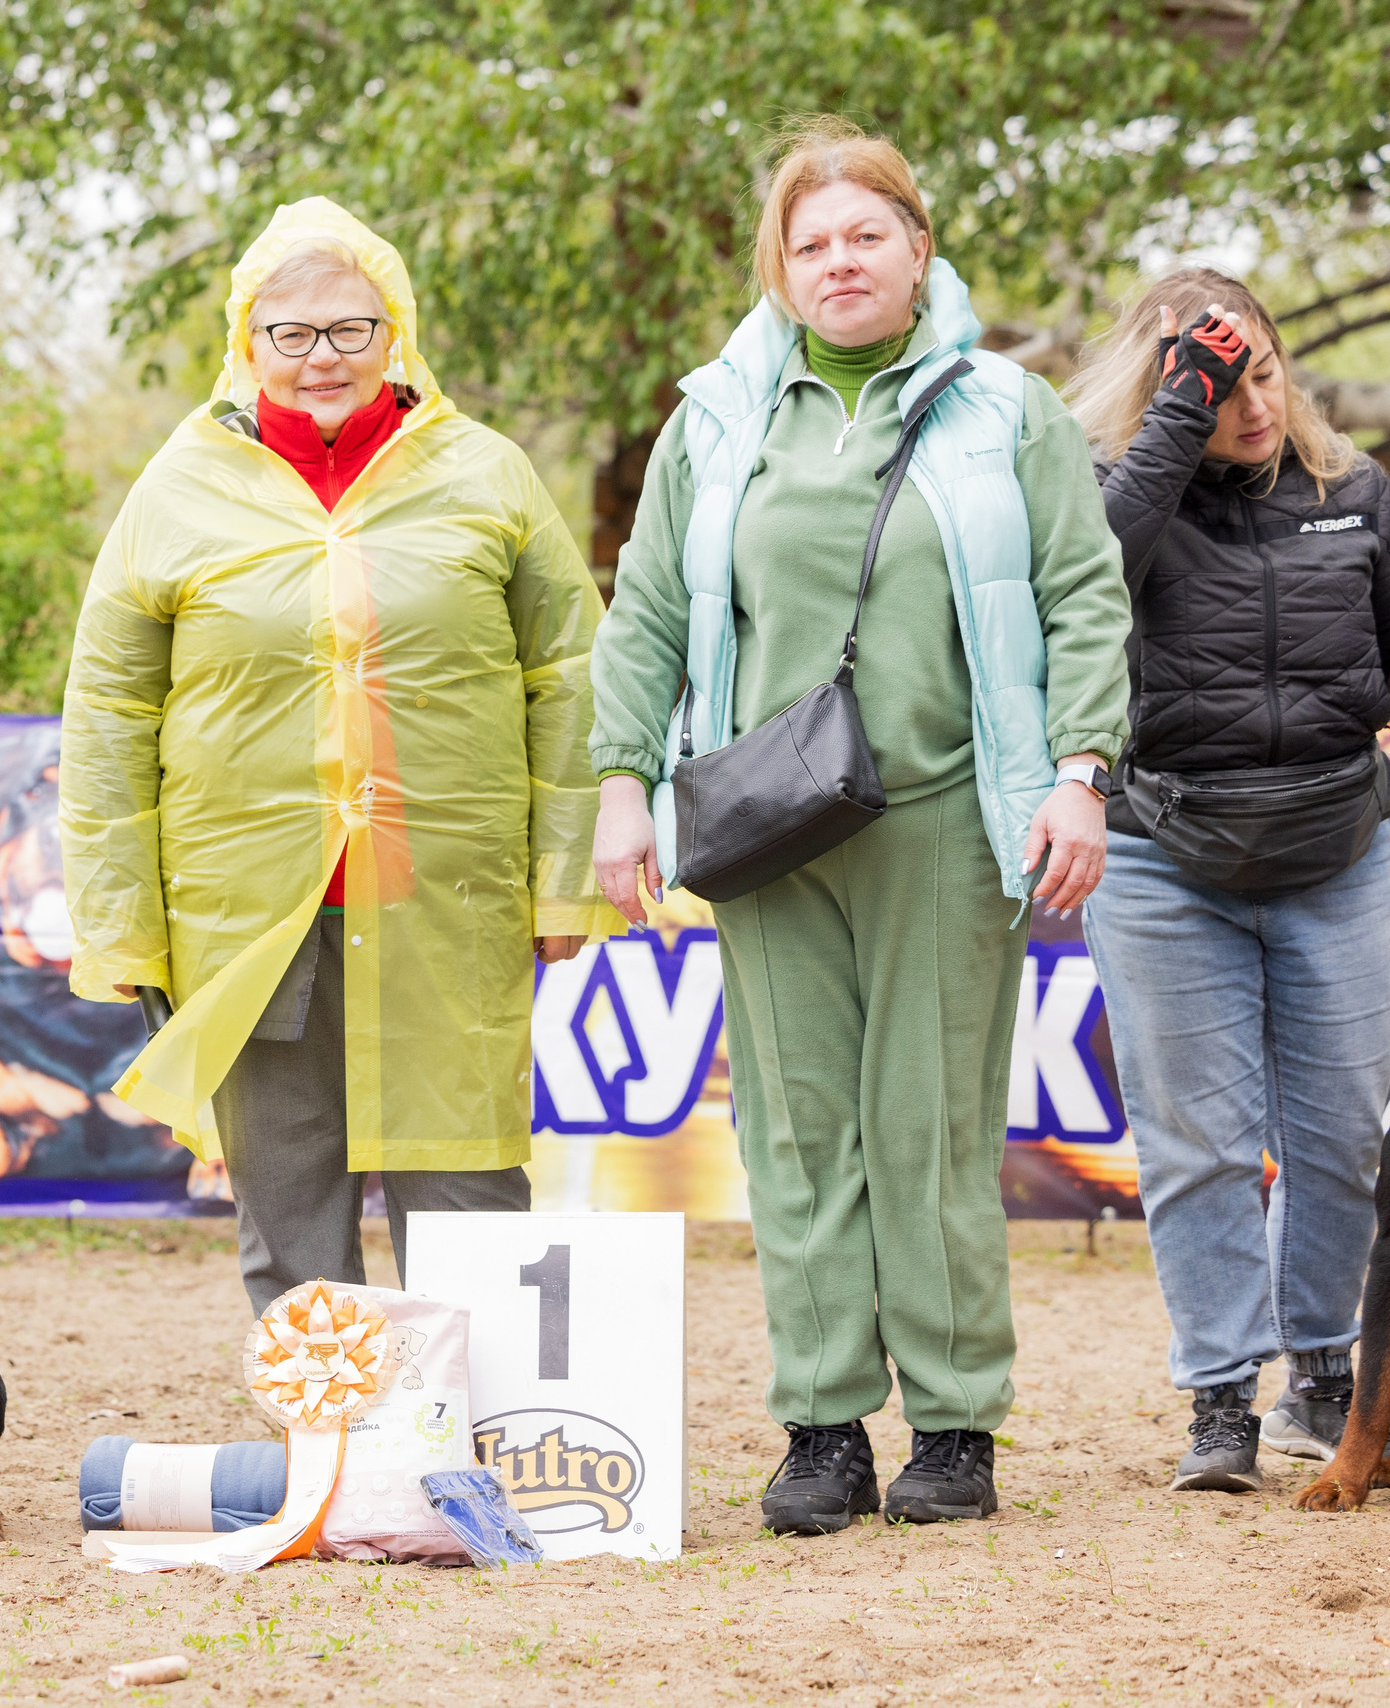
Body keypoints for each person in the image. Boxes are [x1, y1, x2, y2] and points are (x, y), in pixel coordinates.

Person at [587, 119, 1133, 1534]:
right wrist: (618, 787)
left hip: (951, 818)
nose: (840, 262)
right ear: (779, 267)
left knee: (933, 1127)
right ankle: (823, 1425)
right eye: (811, 243)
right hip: (764, 827)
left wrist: (1081, 768)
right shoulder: (714, 420)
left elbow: (1082, 593)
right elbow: (644, 612)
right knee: (796, 1130)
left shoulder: (1008, 408)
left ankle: (955, 1425)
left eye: (865, 235)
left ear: (918, 246)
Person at [58, 198, 622, 1314]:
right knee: (290, 1210)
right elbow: (109, 705)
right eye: (293, 334)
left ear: (395, 330)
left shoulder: (487, 474)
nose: (323, 358)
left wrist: (564, 874)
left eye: (352, 329)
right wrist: (121, 914)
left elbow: (569, 674)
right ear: (247, 342)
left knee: (465, 1197)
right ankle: (327, 1472)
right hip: (251, 915)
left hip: (445, 904)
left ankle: (470, 1456)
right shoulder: (177, 488)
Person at [1064, 268, 1390, 1494]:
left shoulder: (1354, 493)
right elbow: (1087, 584)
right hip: (1162, 853)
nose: (1246, 405)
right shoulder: (1112, 492)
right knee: (1195, 1140)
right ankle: (1218, 1395)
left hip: (1341, 850)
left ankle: (1321, 1373)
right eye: (1210, 384)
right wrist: (1173, 419)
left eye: (1258, 371)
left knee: (1338, 1139)